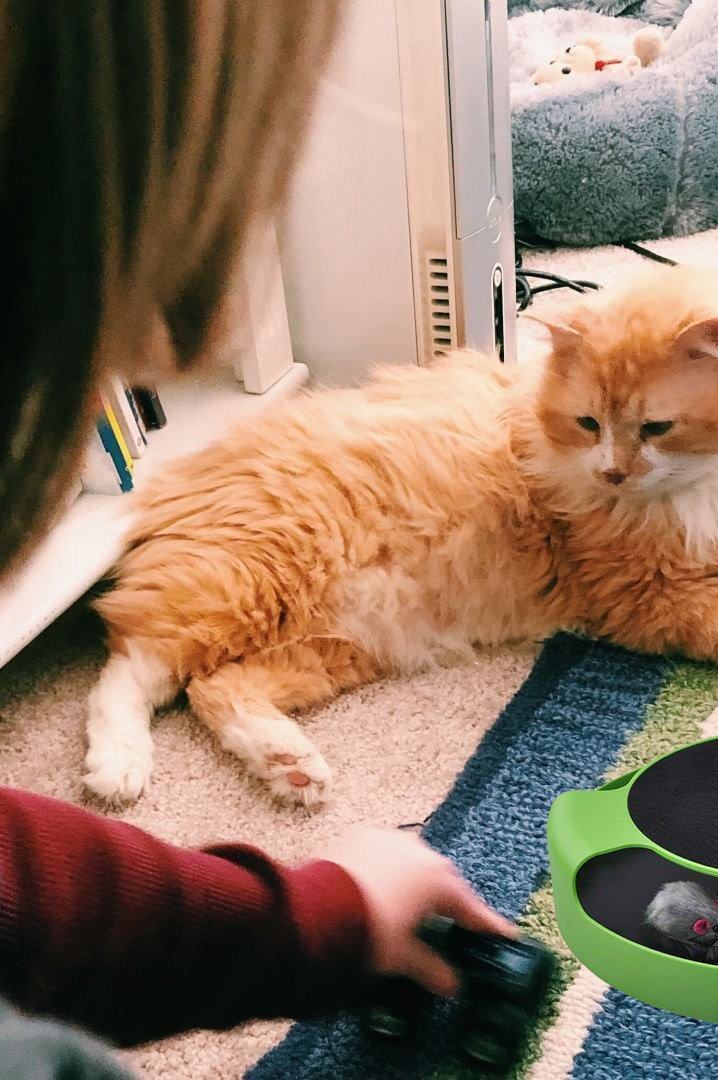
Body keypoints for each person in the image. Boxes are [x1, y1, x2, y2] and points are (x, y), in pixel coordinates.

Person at [0, 3, 513, 1074]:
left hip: (398, 579)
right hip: (334, 514)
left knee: (305, 643)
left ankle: (223, 698)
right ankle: (151, 686)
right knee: (236, 594)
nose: (166, 348)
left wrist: (316, 922)